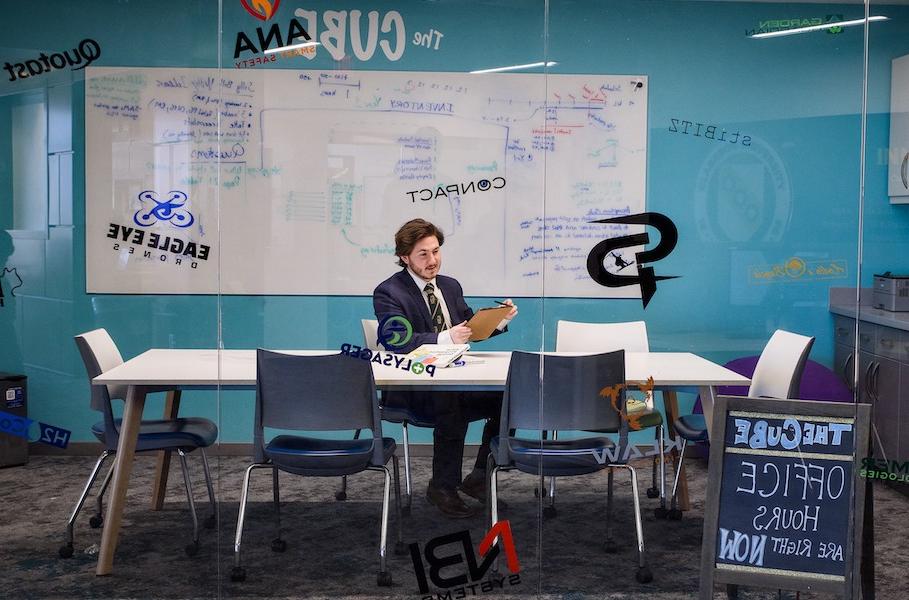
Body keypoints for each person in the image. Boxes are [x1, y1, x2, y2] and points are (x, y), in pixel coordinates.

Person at [373, 219, 517, 518]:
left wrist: (499, 319)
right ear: (405, 257)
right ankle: (442, 486)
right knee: (453, 400)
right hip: (413, 386)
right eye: (423, 254)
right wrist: (444, 338)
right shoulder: (389, 292)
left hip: (453, 378)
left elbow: (470, 329)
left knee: (511, 398)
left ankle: (478, 476)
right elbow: (396, 341)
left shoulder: (450, 286)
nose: (432, 260)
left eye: (436, 251)